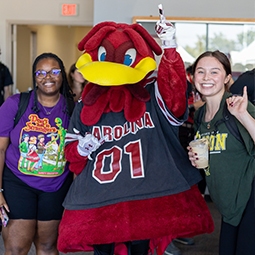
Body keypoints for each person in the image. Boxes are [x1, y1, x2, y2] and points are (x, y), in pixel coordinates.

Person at [57, 15, 214, 255]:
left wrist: (170, 47)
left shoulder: (152, 94)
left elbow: (174, 97)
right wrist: (81, 148)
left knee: (141, 250)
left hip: (144, 198)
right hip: (102, 200)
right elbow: (71, 154)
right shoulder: (86, 102)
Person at [0, 52, 74, 255]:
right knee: (16, 248)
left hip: (56, 185)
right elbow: (0, 149)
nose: (47, 77)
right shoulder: (15, 104)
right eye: (41, 72)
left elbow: (78, 153)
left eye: (54, 72)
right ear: (34, 76)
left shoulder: (72, 108)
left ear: (62, 75)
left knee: (48, 246)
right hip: (17, 183)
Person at [188, 50, 255, 255]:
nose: (207, 78)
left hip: (249, 199)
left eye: (214, 72)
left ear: (227, 78)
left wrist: (243, 115)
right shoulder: (200, 115)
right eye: (201, 72)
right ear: (193, 77)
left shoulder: (239, 106)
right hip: (227, 204)